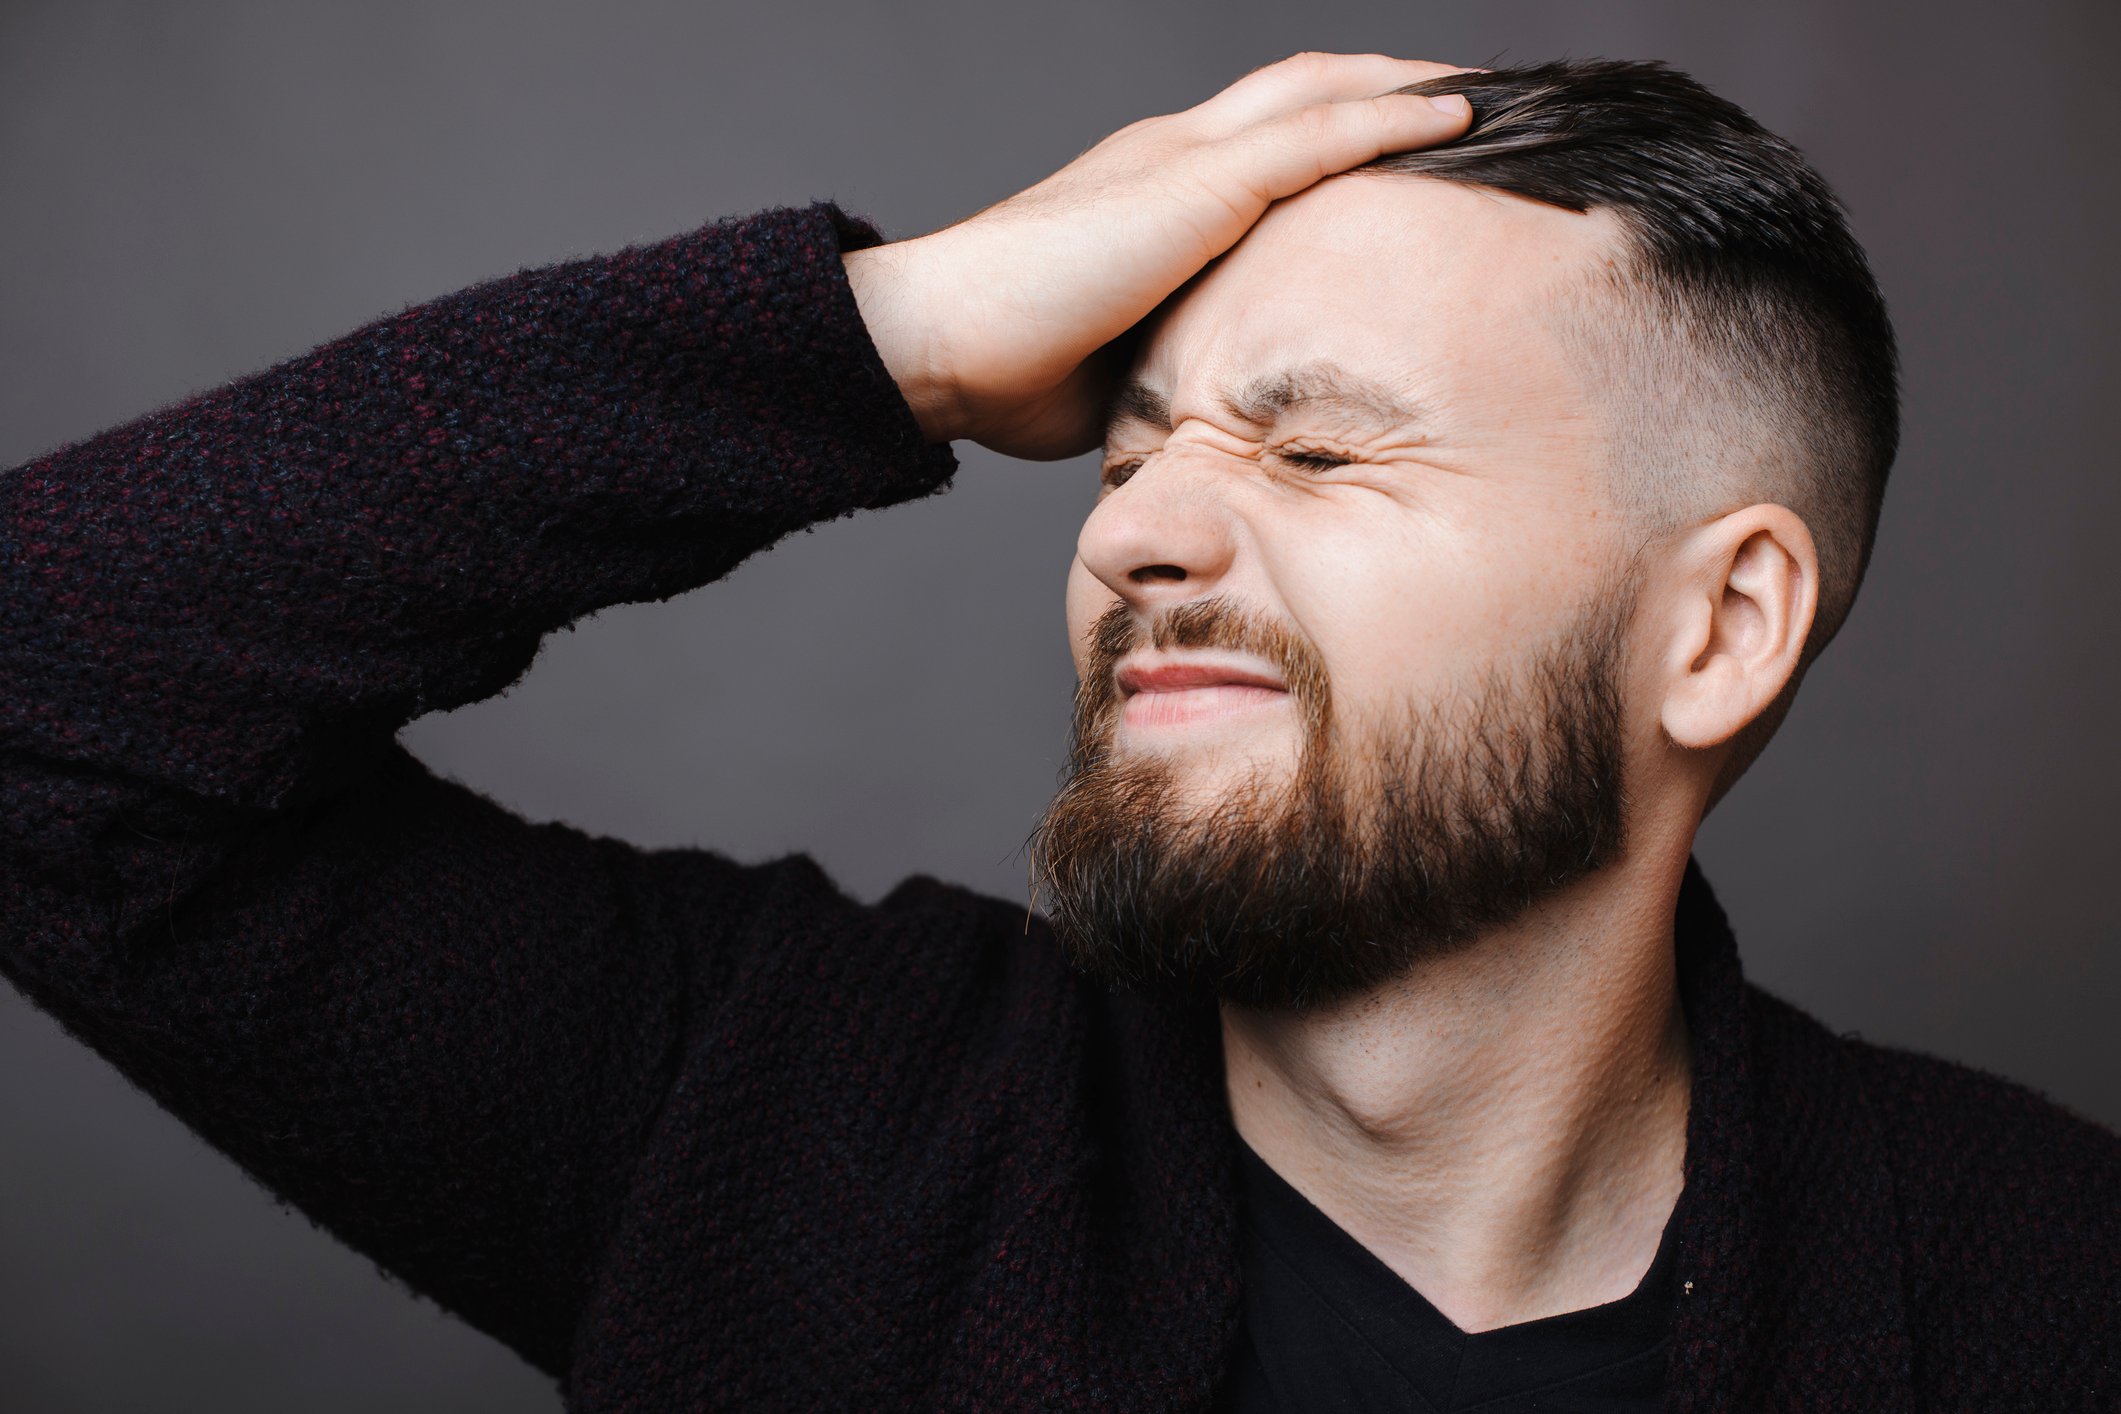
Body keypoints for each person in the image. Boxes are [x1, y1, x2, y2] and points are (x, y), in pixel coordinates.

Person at [1, 49, 2113, 1412]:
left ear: (1719, 625)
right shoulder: (778, 1125)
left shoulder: (2040, 1284)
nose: (1145, 535)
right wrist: (890, 334)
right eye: (1124, 456)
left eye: (1311, 450)